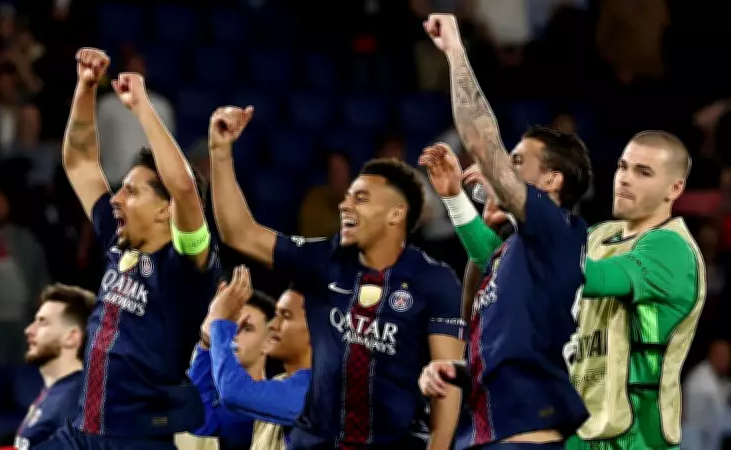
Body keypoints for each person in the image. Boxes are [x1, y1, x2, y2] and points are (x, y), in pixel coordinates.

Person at [208, 106, 465, 450]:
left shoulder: (434, 280)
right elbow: (240, 233)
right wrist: (220, 152)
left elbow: (447, 386)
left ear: (396, 214)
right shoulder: (323, 260)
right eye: (347, 198)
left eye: (361, 199)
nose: (345, 206)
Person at [418, 13, 593, 450]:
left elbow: (482, 142)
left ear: (551, 181)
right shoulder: (516, 249)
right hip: (484, 433)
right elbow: (476, 309)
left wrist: (456, 51)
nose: (505, 170)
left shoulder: (559, 229)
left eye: (517, 162)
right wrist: (457, 369)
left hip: (525, 438)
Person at [41, 48, 220, 449]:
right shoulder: (117, 239)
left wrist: (141, 106)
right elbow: (80, 162)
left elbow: (184, 187)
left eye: (132, 192)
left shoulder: (186, 263)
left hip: (137, 438)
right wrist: (86, 88)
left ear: (165, 210)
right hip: (82, 432)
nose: (116, 199)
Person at [563, 131, 705, 450]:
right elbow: (520, 274)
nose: (625, 179)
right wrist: (459, 205)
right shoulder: (599, 235)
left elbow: (591, 278)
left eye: (643, 172)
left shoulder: (670, 248)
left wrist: (529, 210)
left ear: (675, 188)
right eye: (622, 166)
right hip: (582, 427)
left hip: (636, 437)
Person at [202, 267, 312, 450]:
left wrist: (221, 324)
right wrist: (206, 343)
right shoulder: (277, 386)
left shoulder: (320, 393)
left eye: (286, 316)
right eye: (275, 315)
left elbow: (234, 392)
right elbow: (204, 419)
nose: (273, 325)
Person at [186, 280, 277, 450]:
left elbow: (196, 420)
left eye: (247, 328)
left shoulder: (268, 401)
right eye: (230, 324)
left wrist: (206, 343)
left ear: (269, 341)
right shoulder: (214, 392)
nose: (232, 333)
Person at [14, 284, 94, 450]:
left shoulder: (76, 401)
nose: (29, 330)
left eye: (43, 322)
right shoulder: (59, 392)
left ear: (71, 337)